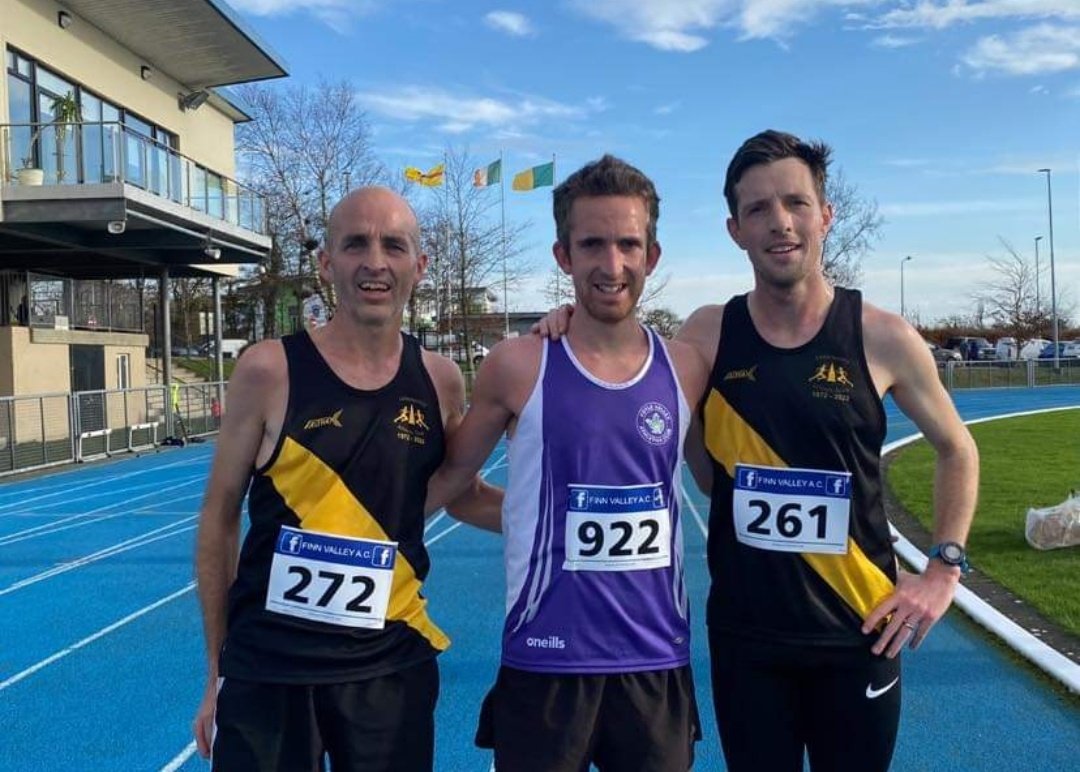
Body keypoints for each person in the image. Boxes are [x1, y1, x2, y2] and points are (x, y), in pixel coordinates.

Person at [539, 131, 979, 771]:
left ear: (825, 215)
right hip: (748, 640)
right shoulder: (708, 334)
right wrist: (567, 315)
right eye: (758, 210)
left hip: (858, 633)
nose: (781, 223)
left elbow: (957, 449)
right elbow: (625, 359)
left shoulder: (882, 337)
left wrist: (943, 570)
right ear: (734, 229)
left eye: (796, 203)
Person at [192, 186, 496, 771]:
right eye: (355, 244)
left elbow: (465, 494)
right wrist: (215, 671)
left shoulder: (439, 380)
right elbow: (218, 517)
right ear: (327, 263)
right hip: (270, 669)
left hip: (390, 668)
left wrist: (558, 520)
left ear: (419, 266)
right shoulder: (268, 370)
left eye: (394, 245)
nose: (375, 262)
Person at [428, 155, 709, 771]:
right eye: (592, 245)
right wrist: (352, 526)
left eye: (628, 244)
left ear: (652, 255)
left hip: (655, 659)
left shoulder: (688, 367)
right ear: (563, 255)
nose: (612, 265)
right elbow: (452, 486)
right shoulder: (517, 364)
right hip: (545, 658)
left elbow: (722, 481)